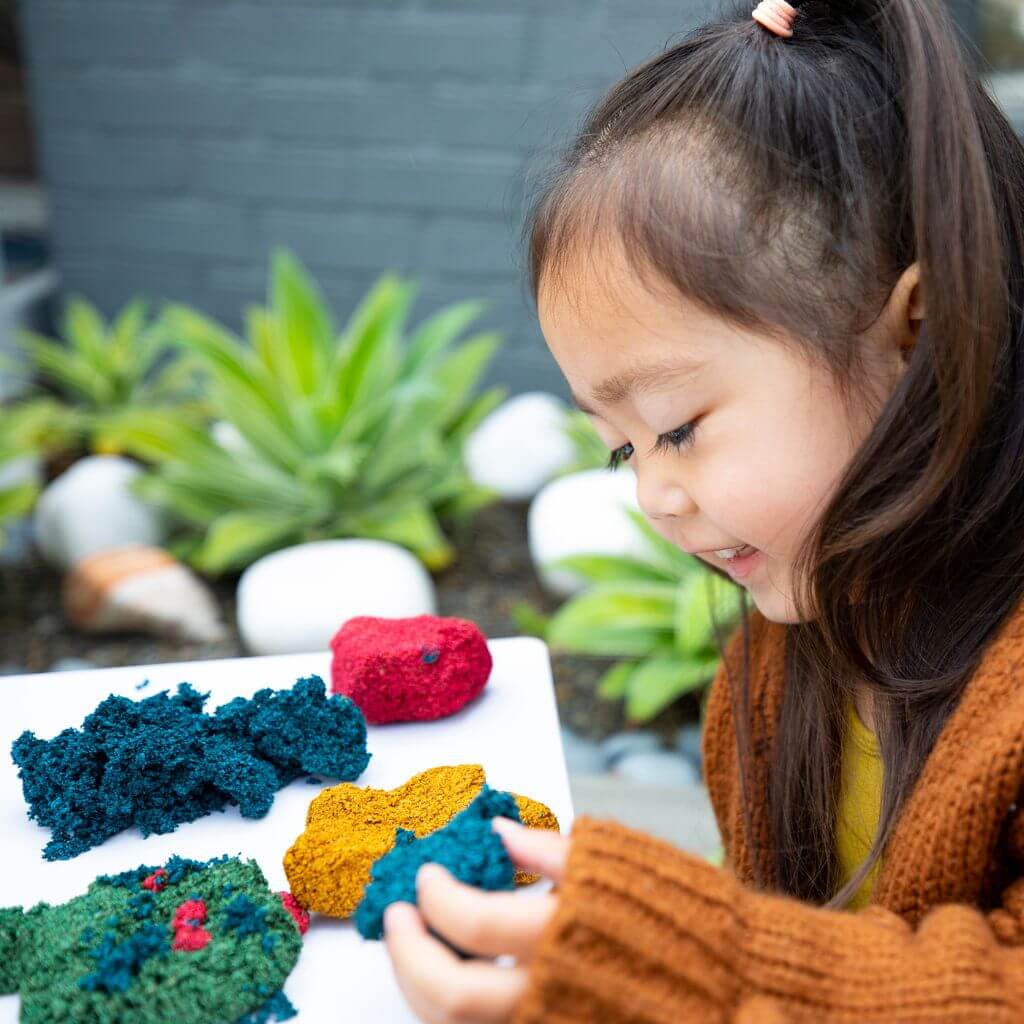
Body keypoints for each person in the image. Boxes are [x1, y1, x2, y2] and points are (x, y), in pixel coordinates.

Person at [381, 0, 1024, 1018]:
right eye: (621, 449)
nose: (653, 495)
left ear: (918, 333)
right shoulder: (775, 671)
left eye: (678, 428)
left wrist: (698, 972)